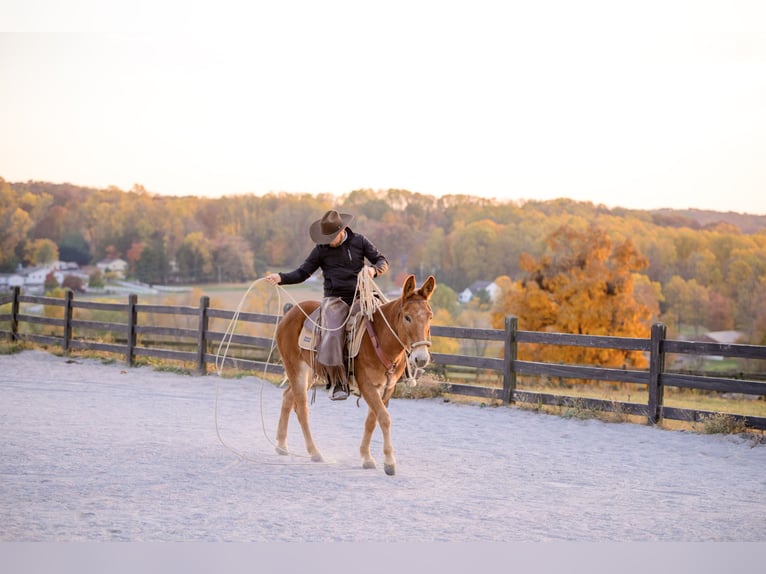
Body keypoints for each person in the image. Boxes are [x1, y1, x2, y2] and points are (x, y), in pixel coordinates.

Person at [265, 209, 389, 400]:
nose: (328, 240)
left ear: (343, 230)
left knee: (388, 320)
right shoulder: (321, 250)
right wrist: (280, 277)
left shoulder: (360, 242)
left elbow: (382, 261)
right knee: (333, 332)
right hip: (335, 299)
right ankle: (338, 381)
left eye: (331, 236)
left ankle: (400, 368)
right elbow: (303, 272)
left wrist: (373, 270)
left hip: (361, 296)